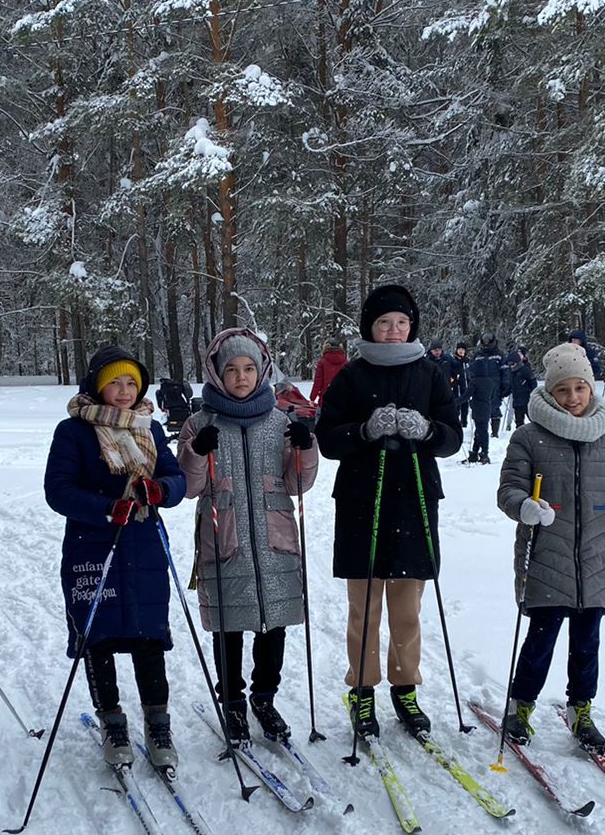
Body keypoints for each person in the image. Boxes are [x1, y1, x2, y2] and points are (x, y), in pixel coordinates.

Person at [497, 342, 605, 751]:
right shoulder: (528, 437)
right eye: (563, 390)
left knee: (587, 644)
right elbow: (508, 490)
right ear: (550, 393)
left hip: (596, 562)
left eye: (580, 388)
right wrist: (524, 507)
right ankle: (520, 705)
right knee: (540, 640)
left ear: (591, 389)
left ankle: (581, 708)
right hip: (544, 558)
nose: (573, 397)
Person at [315, 284, 461, 740]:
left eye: (401, 322)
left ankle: (405, 686)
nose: (394, 330)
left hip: (414, 500)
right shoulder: (353, 375)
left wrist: (427, 430)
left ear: (411, 325)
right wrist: (363, 430)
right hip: (362, 501)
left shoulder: (431, 373)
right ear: (370, 328)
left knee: (407, 607)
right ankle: (362, 689)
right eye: (384, 323)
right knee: (364, 607)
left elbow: (453, 436)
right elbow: (328, 437)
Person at [44, 347, 186, 774]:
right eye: (115, 383)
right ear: (97, 386)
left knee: (148, 636)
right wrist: (106, 507)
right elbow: (58, 489)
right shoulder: (74, 431)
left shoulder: (151, 428)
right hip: (93, 547)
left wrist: (160, 491)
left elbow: (176, 478)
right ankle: (112, 722)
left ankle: (158, 723)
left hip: (143, 547)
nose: (124, 391)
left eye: (131, 383)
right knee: (98, 637)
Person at [177, 328, 318, 743]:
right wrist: (196, 451)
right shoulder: (199, 421)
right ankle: (233, 702)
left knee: (274, 624)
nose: (241, 376)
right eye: (233, 369)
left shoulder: (280, 421)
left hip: (276, 541)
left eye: (249, 368)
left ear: (262, 372)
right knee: (228, 627)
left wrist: (306, 447)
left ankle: (264, 697)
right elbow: (189, 487)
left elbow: (297, 484)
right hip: (225, 539)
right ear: (218, 374)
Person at [467, 333, 508, 463]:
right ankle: (477, 450)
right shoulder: (477, 355)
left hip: (494, 385)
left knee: (494, 409)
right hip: (479, 388)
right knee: (481, 419)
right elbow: (470, 369)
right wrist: (472, 381)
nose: (485, 342)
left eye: (487, 340)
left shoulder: (499, 354)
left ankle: (494, 434)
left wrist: (506, 384)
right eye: (483, 340)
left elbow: (505, 370)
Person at [505, 349, 537, 427]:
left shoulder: (525, 370)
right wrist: (503, 393)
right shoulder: (511, 373)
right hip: (517, 402)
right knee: (519, 422)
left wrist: (533, 394)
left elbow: (533, 383)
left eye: (513, 364)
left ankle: (537, 434)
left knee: (533, 419)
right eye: (509, 365)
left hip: (527, 400)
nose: (511, 366)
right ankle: (520, 436)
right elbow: (510, 386)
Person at [310, 340, 348, 406]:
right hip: (342, 400)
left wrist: (312, 398)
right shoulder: (346, 362)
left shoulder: (322, 362)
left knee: (320, 415)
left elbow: (318, 382)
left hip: (326, 399)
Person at [451, 342, 470, 429]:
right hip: (456, 384)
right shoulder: (453, 360)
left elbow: (470, 373)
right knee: (456, 402)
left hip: (465, 384)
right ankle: (456, 420)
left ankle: (464, 421)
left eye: (463, 349)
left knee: (465, 403)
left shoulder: (467, 361)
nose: (461, 351)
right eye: (459, 349)